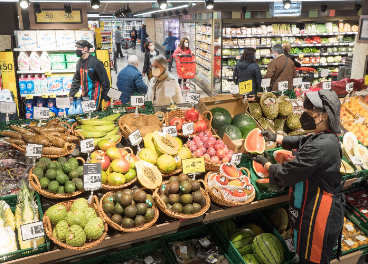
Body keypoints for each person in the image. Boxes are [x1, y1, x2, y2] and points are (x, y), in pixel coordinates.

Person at [249, 90, 345, 264]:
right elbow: (302, 141)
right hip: (313, 207)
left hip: (319, 216)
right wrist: (276, 137)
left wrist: (265, 163)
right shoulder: (325, 135)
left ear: (324, 115)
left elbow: (286, 174)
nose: (305, 114)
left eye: (311, 112)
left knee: (311, 259)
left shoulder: (321, 147)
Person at [70, 40, 110, 111]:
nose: (77, 50)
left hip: (95, 97)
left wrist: (106, 98)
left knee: (94, 116)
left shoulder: (96, 62)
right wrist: (71, 94)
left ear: (85, 49)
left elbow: (105, 81)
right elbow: (77, 79)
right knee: (86, 116)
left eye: (78, 48)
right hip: (84, 96)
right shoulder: (79, 62)